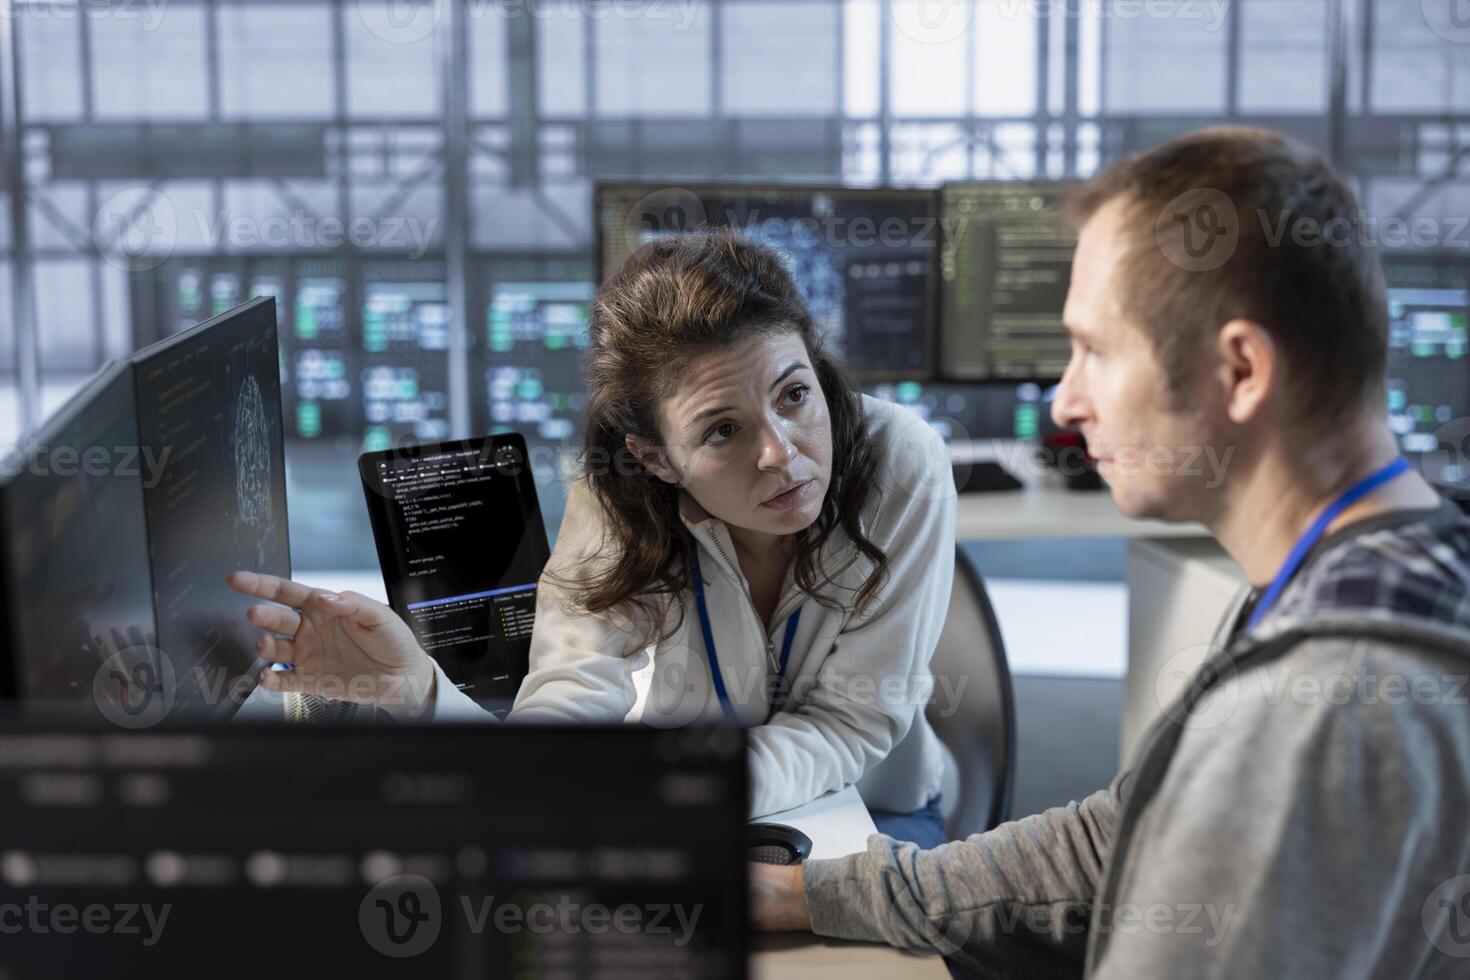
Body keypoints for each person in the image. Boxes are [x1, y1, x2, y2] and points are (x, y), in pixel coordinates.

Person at [752, 127, 1470, 977]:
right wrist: (816, 893)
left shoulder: (1315, 712)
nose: (1067, 399)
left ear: (1240, 371)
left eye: (1096, 350)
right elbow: (1118, 841)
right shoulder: (1373, 572)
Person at [228, 230, 958, 839]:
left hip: (875, 805)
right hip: (699, 810)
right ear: (656, 459)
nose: (782, 453)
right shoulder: (620, 499)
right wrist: (421, 690)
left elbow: (851, 722)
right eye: (722, 430)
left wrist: (679, 790)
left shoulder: (901, 463)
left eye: (794, 395)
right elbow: (565, 712)